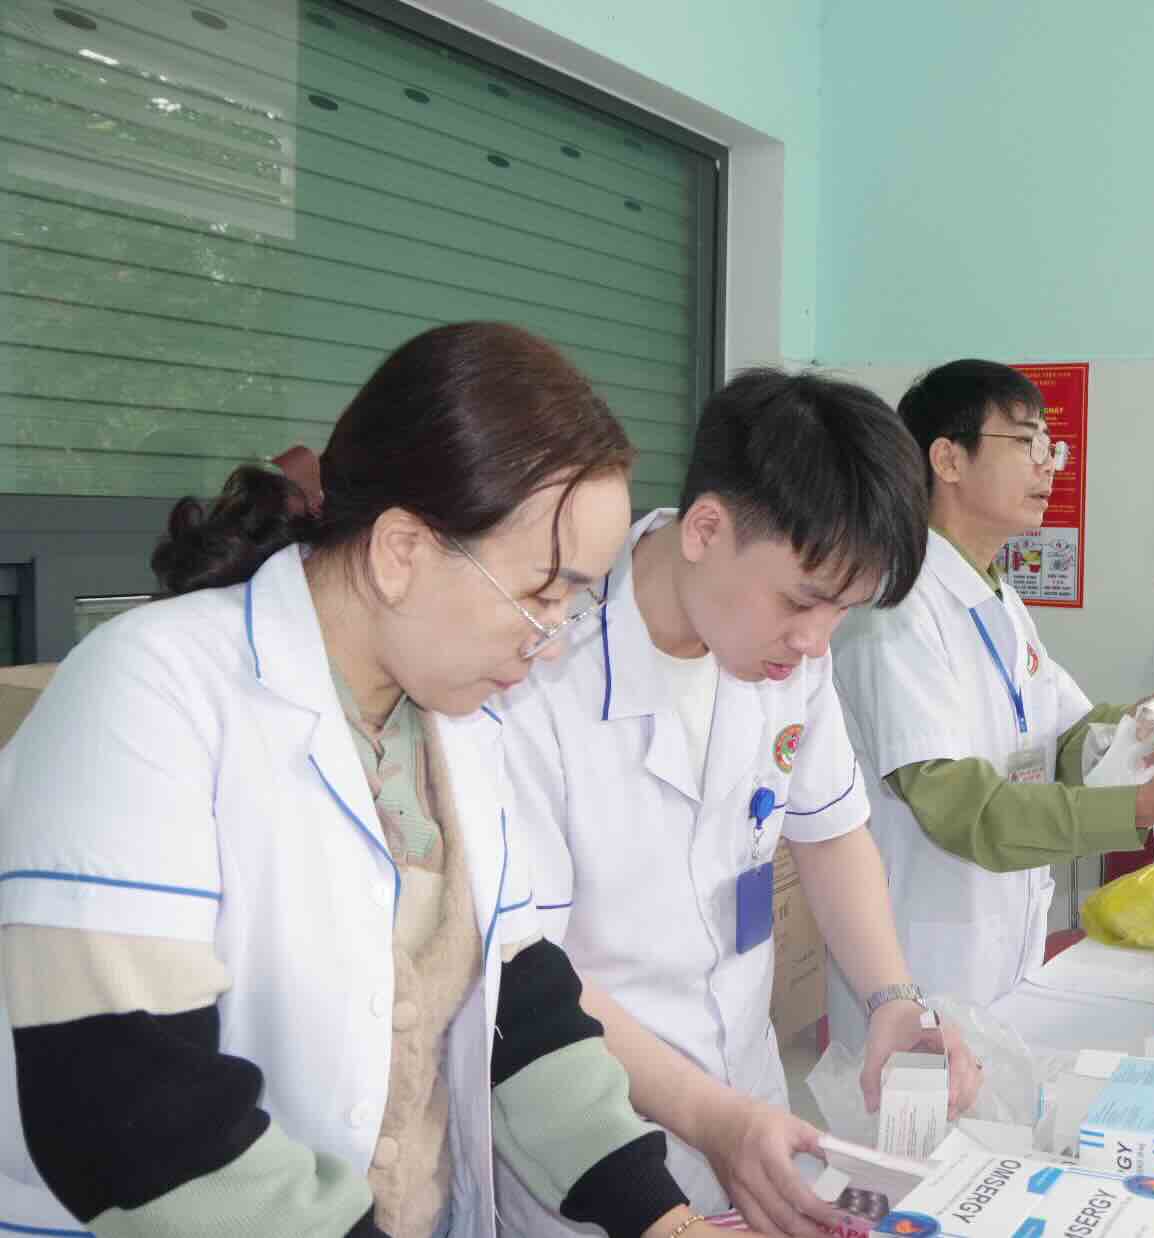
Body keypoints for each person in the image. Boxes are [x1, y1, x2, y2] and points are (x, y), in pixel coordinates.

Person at [0, 323, 720, 1238]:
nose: (551, 639)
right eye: (540, 594)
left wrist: (662, 1221)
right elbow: (124, 1105)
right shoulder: (150, 693)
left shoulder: (459, 729)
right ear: (401, 551)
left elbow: (517, 1008)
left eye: (575, 602)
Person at [498, 369, 981, 1238]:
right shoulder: (536, 677)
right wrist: (711, 1121)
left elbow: (831, 835)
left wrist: (892, 1000)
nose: (814, 640)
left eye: (844, 611)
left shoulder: (787, 655)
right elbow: (532, 973)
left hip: (751, 1106)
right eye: (802, 601)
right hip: (600, 1142)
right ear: (708, 528)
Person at [828, 360, 1154, 1039]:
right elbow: (964, 812)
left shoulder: (996, 599)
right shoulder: (896, 612)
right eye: (1027, 443)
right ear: (947, 458)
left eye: (1051, 448)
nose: (1049, 466)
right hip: (920, 971)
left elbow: (1066, 736)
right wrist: (1147, 804)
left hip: (1001, 956)